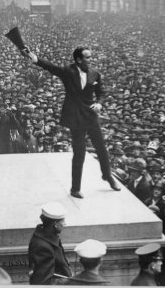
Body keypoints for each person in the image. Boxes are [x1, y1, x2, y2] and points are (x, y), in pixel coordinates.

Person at [22, 46, 120, 198]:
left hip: (90, 115)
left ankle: (107, 176)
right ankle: (75, 189)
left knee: (101, 147)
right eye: (87, 57)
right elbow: (50, 67)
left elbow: (102, 92)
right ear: (78, 59)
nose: (91, 59)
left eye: (91, 56)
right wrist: (32, 56)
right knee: (79, 152)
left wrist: (99, 102)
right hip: (75, 117)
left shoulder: (95, 73)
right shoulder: (68, 71)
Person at [28, 202, 72, 284]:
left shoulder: (49, 238)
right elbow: (44, 282)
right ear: (55, 224)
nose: (65, 224)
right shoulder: (42, 247)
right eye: (63, 221)